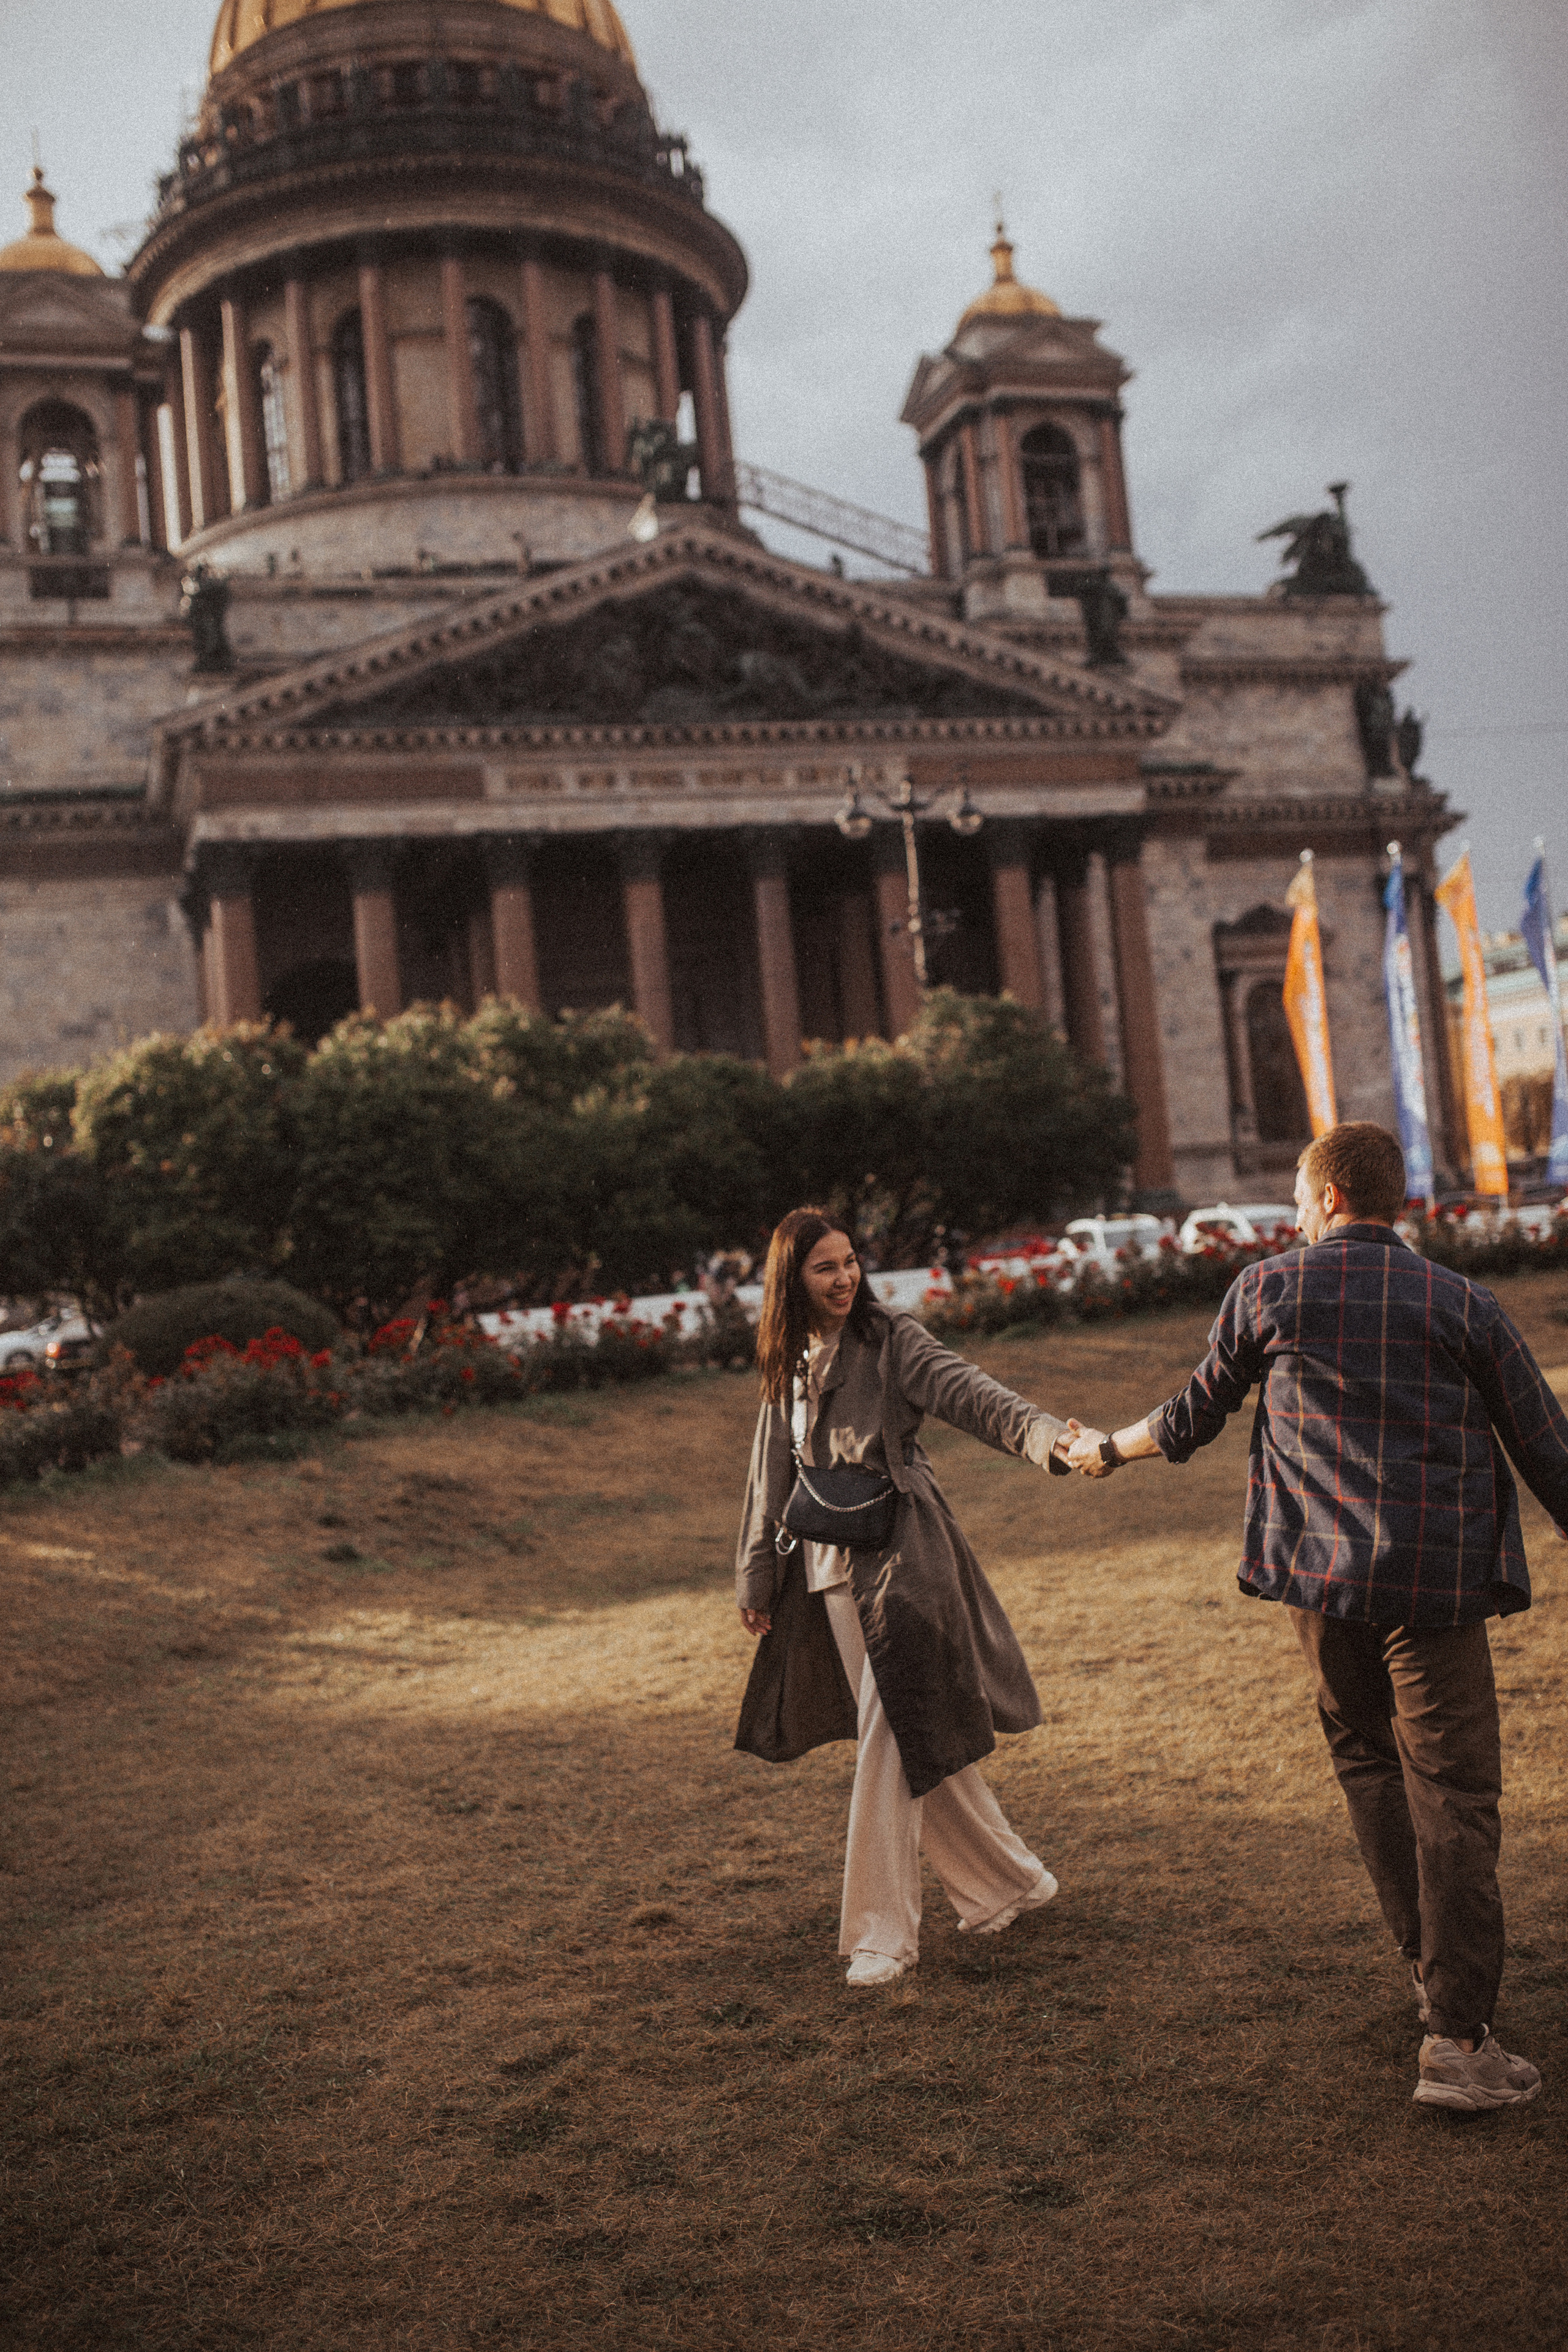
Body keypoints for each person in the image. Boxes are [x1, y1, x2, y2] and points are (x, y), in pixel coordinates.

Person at [1065, 1121, 1568, 2111]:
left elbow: (1190, 1417)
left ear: (1331, 1198)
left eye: (1299, 1202)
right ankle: (1457, 2038)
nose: (1293, 1219)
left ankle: (1435, 1979)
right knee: (1454, 1795)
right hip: (1434, 1587)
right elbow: (1546, 1446)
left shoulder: (1267, 1292)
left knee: (1372, 1768)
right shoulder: (1463, 1302)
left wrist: (1103, 1452)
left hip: (1321, 1588)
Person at [734, 1207, 1071, 1987]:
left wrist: (1052, 1439)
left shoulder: (894, 1343)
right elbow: (768, 1475)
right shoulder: (788, 1363)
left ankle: (883, 1931)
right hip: (826, 1575)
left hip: (905, 1566)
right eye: (825, 1267)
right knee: (912, 1732)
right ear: (793, 1281)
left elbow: (977, 1396)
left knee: (887, 1741)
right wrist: (758, 1577)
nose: (844, 1277)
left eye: (850, 1261)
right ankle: (1010, 1883)